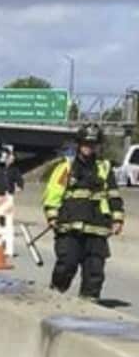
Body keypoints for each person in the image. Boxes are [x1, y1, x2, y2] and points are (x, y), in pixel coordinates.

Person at [44, 123, 126, 301]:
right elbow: (53, 194)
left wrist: (117, 219)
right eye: (86, 143)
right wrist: (52, 216)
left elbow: (113, 195)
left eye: (93, 144)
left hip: (97, 227)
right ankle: (54, 297)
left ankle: (88, 306)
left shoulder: (104, 168)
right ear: (79, 144)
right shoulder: (66, 167)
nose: (89, 147)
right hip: (68, 226)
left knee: (94, 271)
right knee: (67, 264)